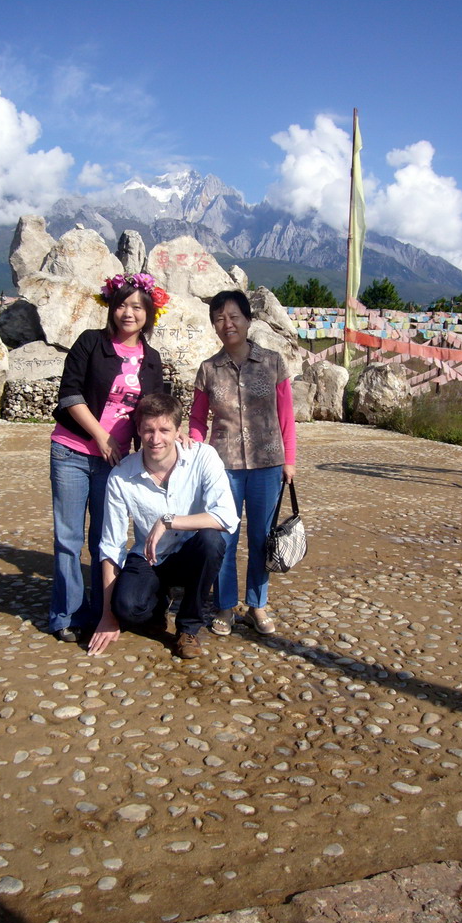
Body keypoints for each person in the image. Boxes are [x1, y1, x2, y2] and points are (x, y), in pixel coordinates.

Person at [48, 272, 169, 642]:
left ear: (149, 312)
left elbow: (156, 410)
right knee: (68, 537)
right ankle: (66, 614)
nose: (128, 313)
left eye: (136, 306)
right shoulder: (90, 343)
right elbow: (69, 395)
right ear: (111, 309)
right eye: (122, 305)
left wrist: (175, 439)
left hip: (116, 462)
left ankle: (104, 610)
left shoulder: (152, 359)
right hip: (72, 450)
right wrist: (100, 435)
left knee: (105, 538)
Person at [88, 393, 239, 659]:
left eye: (164, 430)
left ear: (178, 430)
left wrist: (169, 521)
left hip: (191, 552)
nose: (156, 439)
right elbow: (111, 546)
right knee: (127, 609)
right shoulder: (122, 475)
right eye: (148, 430)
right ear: (138, 430)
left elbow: (227, 517)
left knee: (211, 541)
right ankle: (158, 602)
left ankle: (188, 627)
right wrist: (107, 615)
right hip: (149, 556)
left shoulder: (203, 457)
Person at [189, 289, 296, 636]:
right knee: (224, 536)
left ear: (248, 320)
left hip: (268, 464)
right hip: (223, 467)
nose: (227, 323)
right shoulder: (208, 370)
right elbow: (197, 420)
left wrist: (289, 460)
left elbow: (286, 417)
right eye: (219, 318)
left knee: (262, 537)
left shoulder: (273, 362)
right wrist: (190, 447)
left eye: (234, 316)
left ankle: (257, 605)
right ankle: (224, 606)